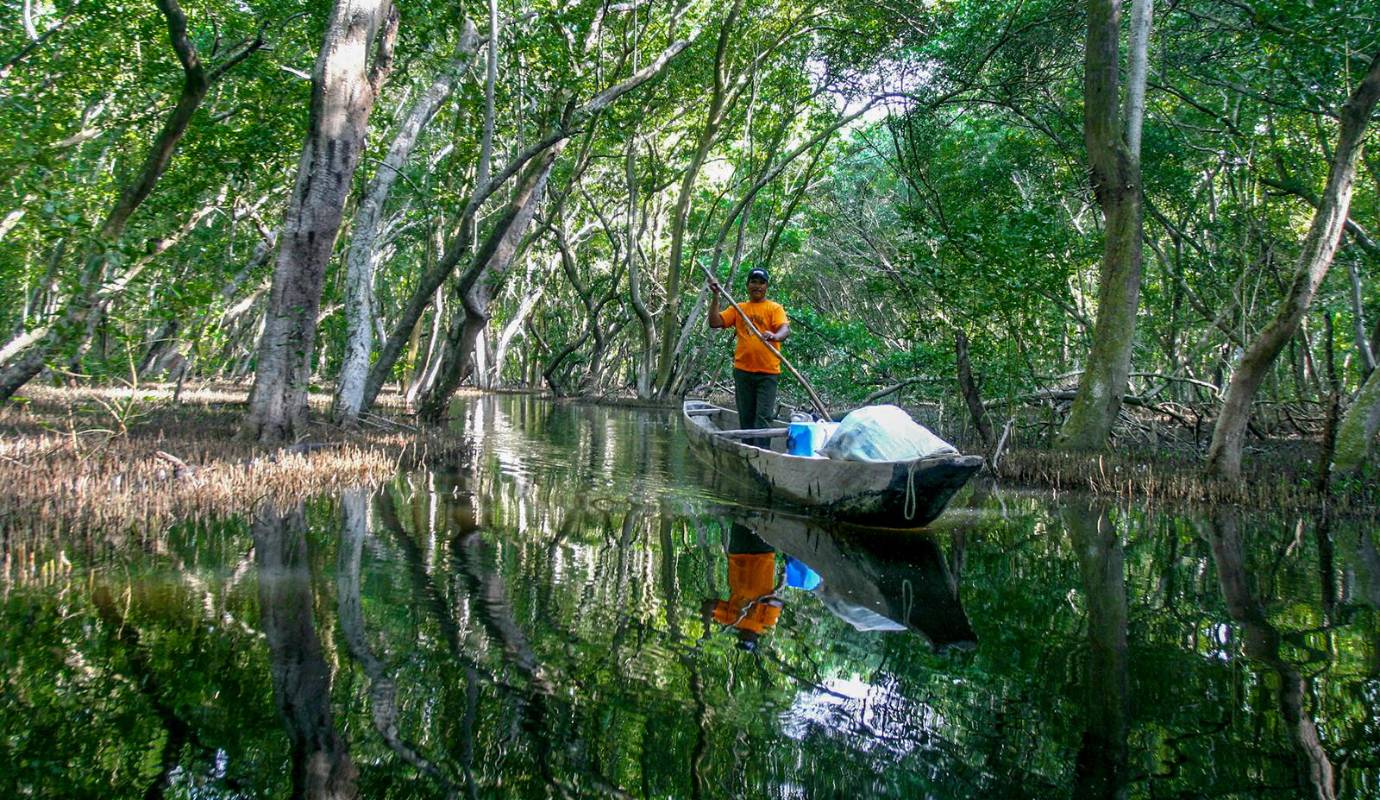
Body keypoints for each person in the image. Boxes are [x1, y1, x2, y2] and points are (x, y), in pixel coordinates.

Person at [707, 267, 791, 447]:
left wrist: (775, 336)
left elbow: (784, 329)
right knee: (746, 416)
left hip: (768, 373)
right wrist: (715, 297)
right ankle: (746, 450)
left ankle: (762, 454)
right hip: (743, 372)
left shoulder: (774, 308)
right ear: (748, 285)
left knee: (763, 417)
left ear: (767, 286)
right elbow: (714, 322)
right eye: (754, 282)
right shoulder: (739, 308)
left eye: (762, 283)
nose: (757, 286)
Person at [701, 523, 784, 652]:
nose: (744, 637)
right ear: (756, 639)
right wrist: (762, 600)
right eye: (747, 640)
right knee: (762, 519)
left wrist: (707, 622)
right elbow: (778, 603)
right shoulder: (766, 623)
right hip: (763, 555)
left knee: (740, 517)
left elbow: (708, 604)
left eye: (741, 640)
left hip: (738, 555)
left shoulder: (731, 620)